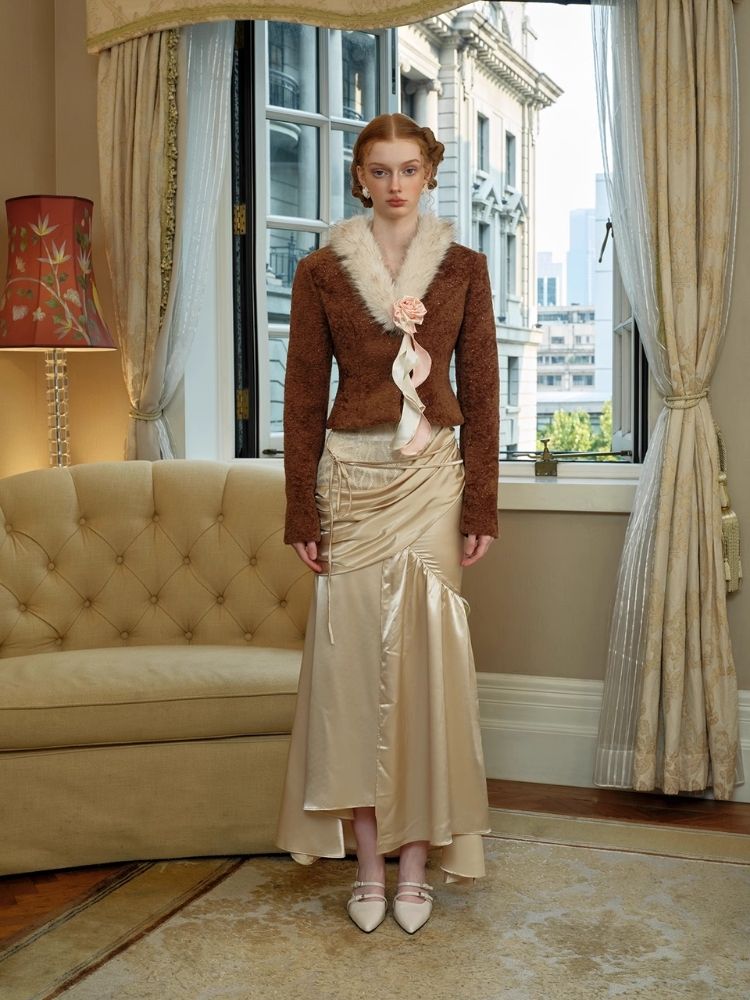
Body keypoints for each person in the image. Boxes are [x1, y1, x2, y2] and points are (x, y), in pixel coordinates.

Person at [275, 112, 499, 935]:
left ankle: (414, 866)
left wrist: (481, 503)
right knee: (351, 668)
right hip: (350, 480)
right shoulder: (322, 271)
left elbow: (484, 391)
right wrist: (301, 506)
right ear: (360, 177)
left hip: (433, 479)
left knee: (426, 667)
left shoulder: (466, 269)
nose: (395, 184)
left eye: (409, 169)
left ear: (430, 173)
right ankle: (367, 865)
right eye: (380, 170)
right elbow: (302, 394)